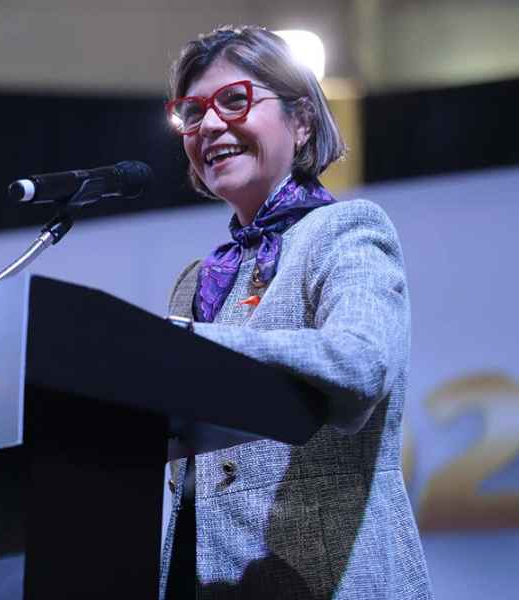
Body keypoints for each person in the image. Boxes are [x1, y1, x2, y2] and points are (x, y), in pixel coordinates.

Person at [160, 26, 433, 599]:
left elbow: (361, 363)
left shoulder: (344, 231)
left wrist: (190, 346)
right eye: (193, 112)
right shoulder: (196, 283)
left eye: (234, 100)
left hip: (331, 580)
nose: (209, 125)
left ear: (302, 120)